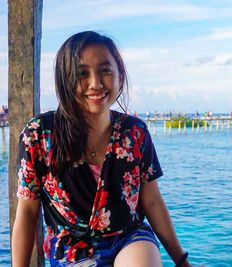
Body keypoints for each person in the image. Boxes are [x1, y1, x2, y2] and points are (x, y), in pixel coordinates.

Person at [12, 31, 199, 267]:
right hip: (72, 247)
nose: (96, 84)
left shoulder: (135, 132)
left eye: (106, 70)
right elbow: (28, 212)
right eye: (82, 74)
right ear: (64, 79)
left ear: (120, 74)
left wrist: (181, 261)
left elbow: (152, 201)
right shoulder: (39, 135)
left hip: (129, 237)